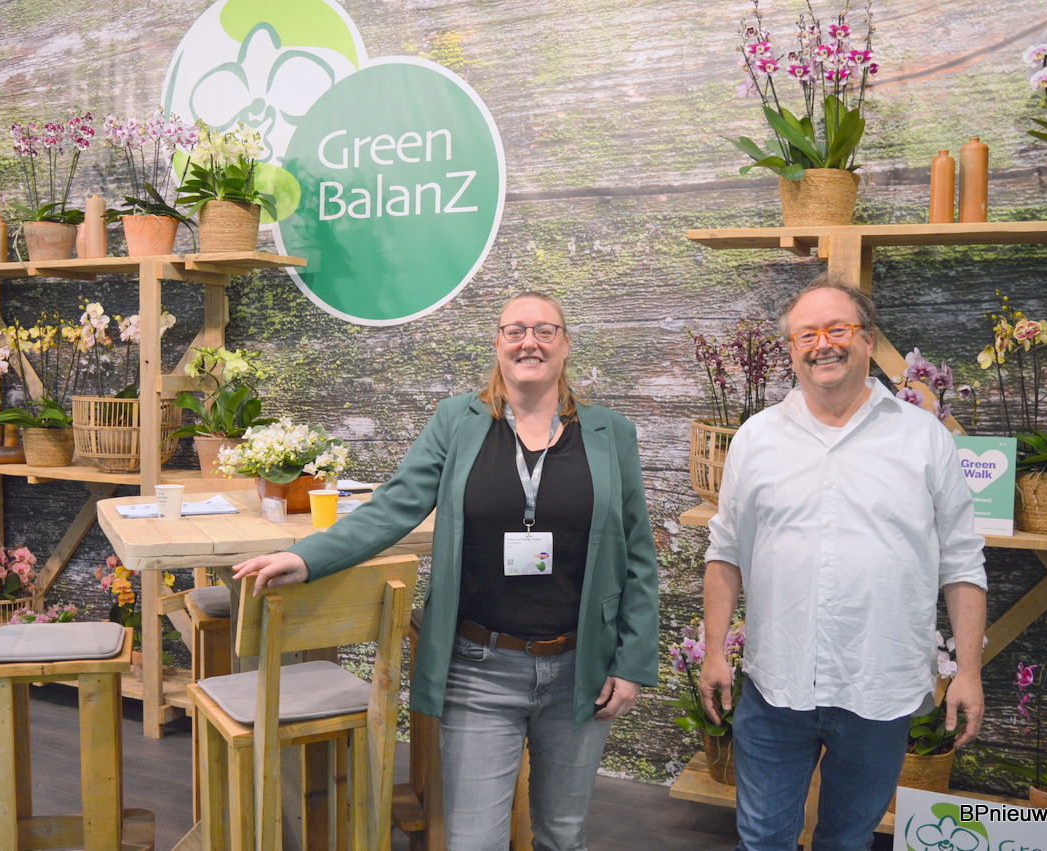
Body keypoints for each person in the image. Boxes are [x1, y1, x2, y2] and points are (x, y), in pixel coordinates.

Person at [232, 292, 659, 850]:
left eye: (544, 330)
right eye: (515, 330)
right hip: (480, 669)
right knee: (473, 841)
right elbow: (393, 506)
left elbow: (638, 554)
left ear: (565, 344)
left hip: (581, 668)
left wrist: (632, 662)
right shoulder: (458, 420)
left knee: (562, 834)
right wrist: (307, 557)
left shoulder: (611, 433)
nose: (529, 342)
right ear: (497, 343)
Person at [700, 278, 987, 850]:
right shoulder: (756, 438)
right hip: (776, 685)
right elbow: (725, 551)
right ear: (791, 350)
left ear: (867, 339)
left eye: (837, 329)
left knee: (848, 840)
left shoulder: (923, 438)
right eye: (806, 335)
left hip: (879, 688)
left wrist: (969, 671)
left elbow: (961, 562)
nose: (822, 345)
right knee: (762, 838)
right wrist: (713, 652)